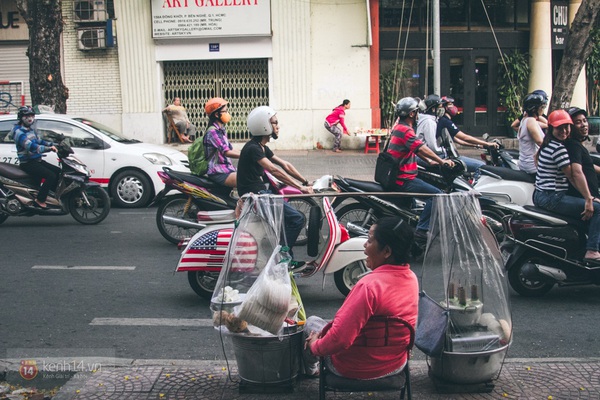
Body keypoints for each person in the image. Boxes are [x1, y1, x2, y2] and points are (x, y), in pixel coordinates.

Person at [302, 216, 418, 378]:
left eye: (370, 241)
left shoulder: (368, 286)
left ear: (386, 252)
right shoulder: (411, 278)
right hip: (396, 364)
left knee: (311, 323)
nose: (364, 245)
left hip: (353, 367)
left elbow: (340, 339)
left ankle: (311, 369)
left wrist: (315, 345)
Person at [237, 106, 313, 260]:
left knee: (286, 222)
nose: (278, 126)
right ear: (263, 125)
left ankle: (285, 257)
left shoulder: (261, 147)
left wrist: (305, 181)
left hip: (261, 193)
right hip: (255, 196)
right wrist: (300, 188)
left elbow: (285, 165)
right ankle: (282, 257)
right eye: (274, 122)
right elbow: (273, 170)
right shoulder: (253, 148)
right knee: (297, 219)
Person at [533, 109, 600, 263]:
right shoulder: (559, 148)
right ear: (551, 128)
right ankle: (593, 251)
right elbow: (574, 174)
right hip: (553, 197)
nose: (564, 131)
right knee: (598, 209)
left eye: (566, 127)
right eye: (559, 128)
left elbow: (535, 159)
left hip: (542, 194)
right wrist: (589, 199)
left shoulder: (547, 144)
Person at [387, 97, 454, 246]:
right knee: (437, 195)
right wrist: (442, 161)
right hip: (403, 179)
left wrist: (431, 161)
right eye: (417, 111)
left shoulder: (399, 127)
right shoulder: (405, 130)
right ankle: (422, 231)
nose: (419, 114)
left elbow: (414, 149)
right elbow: (421, 147)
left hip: (399, 176)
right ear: (411, 114)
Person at [12, 106, 59, 209]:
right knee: (51, 176)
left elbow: (39, 141)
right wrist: (49, 149)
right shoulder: (19, 132)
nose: (30, 118)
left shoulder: (30, 130)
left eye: (32, 115)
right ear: (21, 117)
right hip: (28, 163)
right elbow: (31, 147)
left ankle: (49, 195)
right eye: (27, 116)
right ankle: (40, 199)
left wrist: (53, 144)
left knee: (58, 171)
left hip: (36, 160)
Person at [435, 95, 498, 173]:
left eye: (453, 104)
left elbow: (459, 141)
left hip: (449, 155)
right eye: (450, 104)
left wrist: (478, 145)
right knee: (481, 166)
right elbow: (465, 137)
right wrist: (487, 143)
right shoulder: (445, 122)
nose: (453, 107)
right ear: (444, 107)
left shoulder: (444, 120)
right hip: (447, 157)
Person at [202, 97, 239, 187]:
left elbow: (231, 149)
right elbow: (226, 152)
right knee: (250, 180)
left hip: (226, 169)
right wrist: (247, 155)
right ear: (217, 115)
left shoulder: (221, 130)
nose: (227, 114)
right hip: (218, 172)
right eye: (225, 111)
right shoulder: (213, 132)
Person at [564, 107, 599, 199]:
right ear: (570, 127)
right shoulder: (573, 146)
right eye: (578, 122)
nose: (584, 125)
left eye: (584, 121)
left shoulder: (575, 144)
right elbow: (576, 172)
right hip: (586, 199)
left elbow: (587, 164)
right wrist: (589, 198)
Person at [517, 92, 546, 176]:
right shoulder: (531, 121)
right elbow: (540, 142)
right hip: (533, 165)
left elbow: (548, 125)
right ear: (535, 109)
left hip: (525, 163)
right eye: (541, 107)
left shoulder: (524, 120)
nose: (543, 110)